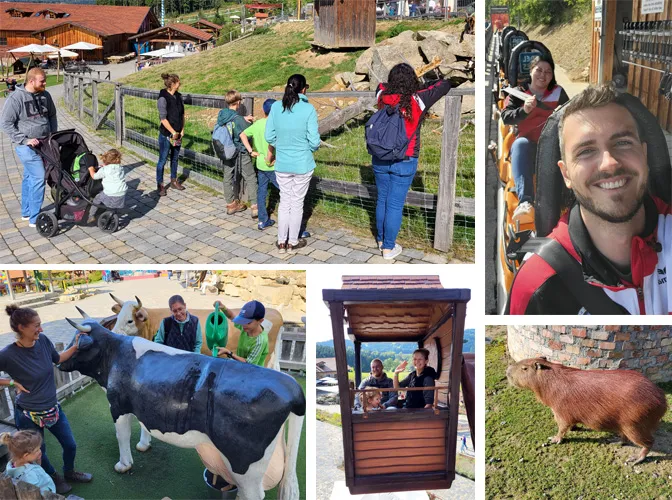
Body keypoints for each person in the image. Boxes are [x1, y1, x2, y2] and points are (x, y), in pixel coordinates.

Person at [507, 84, 672, 315]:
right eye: (586, 151)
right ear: (566, 174)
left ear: (645, 154)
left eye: (623, 142)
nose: (610, 163)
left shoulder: (557, 91)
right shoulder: (536, 283)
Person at [1, 305, 92, 494]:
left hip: (52, 408)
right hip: (27, 414)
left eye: (40, 325)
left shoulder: (42, 340)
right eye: (36, 325)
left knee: (70, 444)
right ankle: (52, 476)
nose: (41, 329)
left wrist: (75, 346)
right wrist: (11, 383)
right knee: (39, 451)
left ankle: (69, 471)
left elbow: (58, 359)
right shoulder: (8, 354)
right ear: (21, 328)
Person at [373, 63, 451, 259]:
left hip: (380, 155)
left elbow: (381, 84)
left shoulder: (381, 95)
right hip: (405, 157)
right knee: (394, 204)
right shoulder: (418, 98)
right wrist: (423, 82)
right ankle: (389, 249)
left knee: (382, 198)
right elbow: (445, 84)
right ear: (412, 81)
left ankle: (381, 240)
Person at [501, 54, 569, 224]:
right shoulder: (518, 93)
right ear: (531, 71)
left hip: (554, 144)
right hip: (529, 143)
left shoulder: (558, 93)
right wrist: (524, 110)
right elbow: (506, 117)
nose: (543, 75)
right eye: (539, 70)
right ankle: (525, 201)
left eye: (548, 71)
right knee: (520, 144)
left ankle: (569, 201)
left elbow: (572, 112)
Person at [265, 74, 320, 254]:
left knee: (285, 201)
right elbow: (314, 141)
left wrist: (281, 144)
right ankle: (293, 242)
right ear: (303, 89)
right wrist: (306, 146)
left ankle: (281, 241)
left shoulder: (275, 107)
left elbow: (269, 136)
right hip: (302, 163)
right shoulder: (308, 109)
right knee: (297, 203)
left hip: (282, 162)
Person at [0, 68, 57, 228]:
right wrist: (24, 140)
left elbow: (52, 115)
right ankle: (35, 218)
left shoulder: (45, 95)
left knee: (29, 177)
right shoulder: (16, 98)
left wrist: (53, 135)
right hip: (26, 146)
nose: (45, 83)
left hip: (45, 143)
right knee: (39, 177)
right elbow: (5, 123)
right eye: (42, 81)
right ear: (31, 81)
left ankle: (26, 212)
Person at [216, 90, 257, 216]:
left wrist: (243, 118)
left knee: (227, 176)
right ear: (238, 102)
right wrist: (251, 150)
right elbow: (244, 134)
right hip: (240, 152)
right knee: (250, 176)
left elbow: (231, 122)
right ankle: (255, 206)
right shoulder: (238, 120)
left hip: (226, 151)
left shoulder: (222, 114)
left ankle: (230, 204)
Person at [241, 98, 278, 230]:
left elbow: (243, 135)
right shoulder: (276, 125)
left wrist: (251, 151)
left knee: (261, 191)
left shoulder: (258, 124)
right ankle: (290, 220)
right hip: (273, 164)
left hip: (260, 163)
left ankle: (262, 220)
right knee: (285, 191)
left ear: (263, 111)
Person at [214, 300, 272, 366]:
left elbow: (248, 364)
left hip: (252, 372)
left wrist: (228, 353)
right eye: (242, 321)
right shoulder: (247, 327)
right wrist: (223, 308)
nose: (243, 325)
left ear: (260, 321)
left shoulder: (260, 341)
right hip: (241, 366)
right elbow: (231, 316)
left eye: (248, 322)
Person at [156, 73, 186, 196]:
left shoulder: (179, 97)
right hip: (166, 135)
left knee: (175, 158)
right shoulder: (163, 98)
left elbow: (182, 114)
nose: (180, 84)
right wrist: (173, 132)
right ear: (173, 84)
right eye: (178, 82)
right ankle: (160, 184)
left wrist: (182, 129)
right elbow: (163, 119)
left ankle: (174, 181)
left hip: (178, 134)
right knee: (163, 160)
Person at [87, 149, 127, 222]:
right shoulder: (120, 168)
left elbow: (94, 176)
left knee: (97, 198)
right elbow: (112, 169)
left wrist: (91, 169)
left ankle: (91, 215)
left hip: (110, 193)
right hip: (122, 192)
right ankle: (115, 210)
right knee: (114, 197)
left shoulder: (104, 170)